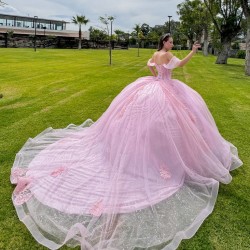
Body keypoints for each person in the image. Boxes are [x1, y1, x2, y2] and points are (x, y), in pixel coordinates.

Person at [10, 33, 242, 250]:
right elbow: (180, 66)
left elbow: (152, 69)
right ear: (166, 43)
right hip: (167, 87)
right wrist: (192, 51)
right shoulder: (168, 56)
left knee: (143, 119)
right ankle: (166, 155)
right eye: (170, 42)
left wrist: (158, 79)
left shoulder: (155, 55)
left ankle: (148, 150)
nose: (171, 45)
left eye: (172, 43)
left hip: (155, 86)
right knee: (178, 118)